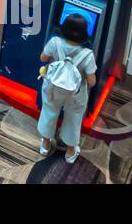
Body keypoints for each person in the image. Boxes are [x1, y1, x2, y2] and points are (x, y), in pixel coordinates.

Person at [37, 11, 97, 164]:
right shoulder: (88, 54)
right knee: (73, 118)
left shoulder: (54, 42)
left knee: (49, 111)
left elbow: (43, 58)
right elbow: (91, 81)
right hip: (75, 93)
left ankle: (45, 144)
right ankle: (70, 152)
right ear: (84, 33)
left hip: (53, 87)